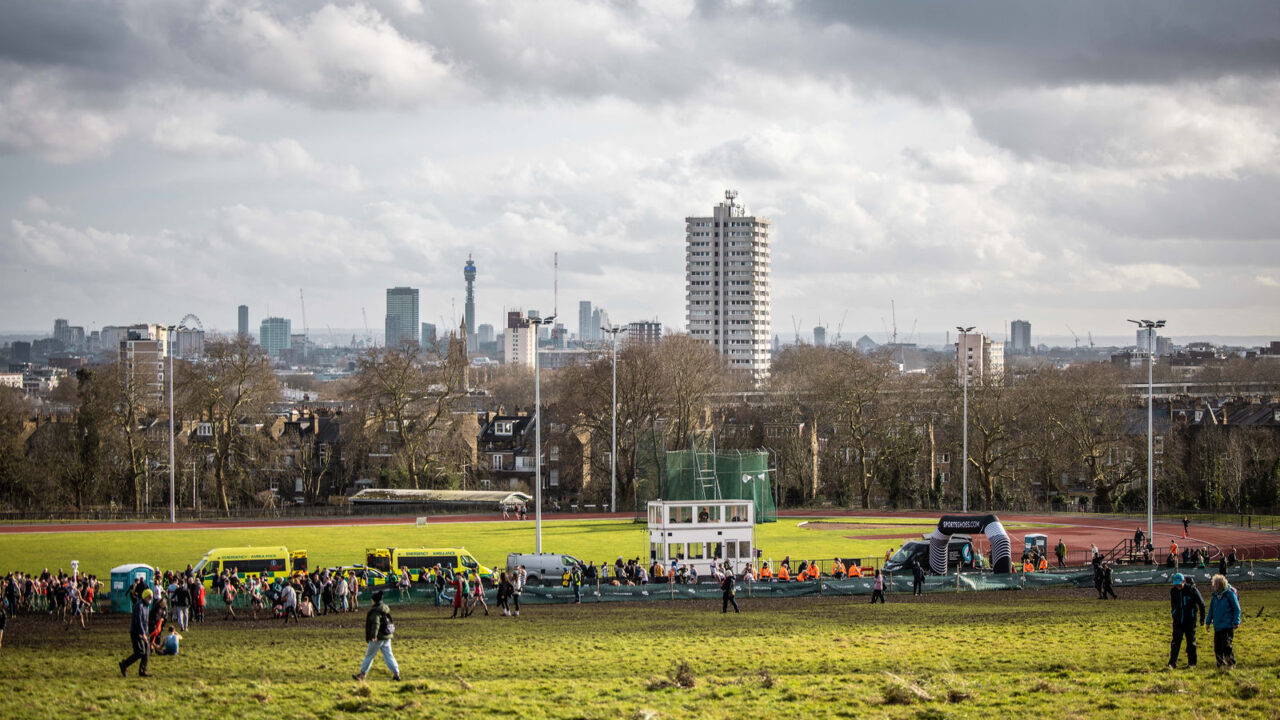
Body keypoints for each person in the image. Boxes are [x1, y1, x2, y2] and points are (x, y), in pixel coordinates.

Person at [353, 591, 400, 682]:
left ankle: (362, 674)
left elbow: (376, 624)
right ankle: (396, 673)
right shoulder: (384, 608)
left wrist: (373, 636)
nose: (371, 601)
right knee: (389, 655)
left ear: (375, 601)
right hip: (387, 636)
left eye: (372, 600)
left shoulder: (375, 611)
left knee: (369, 656)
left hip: (378, 637)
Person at [1167, 573, 1205, 670]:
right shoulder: (1173, 591)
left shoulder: (1192, 590)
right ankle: (1172, 663)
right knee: (1175, 642)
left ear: (1184, 582)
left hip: (1190, 621)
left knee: (1191, 642)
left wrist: (1202, 619)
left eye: (1179, 584)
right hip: (1178, 621)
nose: (1178, 587)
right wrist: (1174, 614)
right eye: (1176, 585)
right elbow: (1173, 604)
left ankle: (1192, 663)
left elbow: (1201, 604)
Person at [1205, 574, 1241, 670]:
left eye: (1215, 584)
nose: (1213, 586)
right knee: (1217, 648)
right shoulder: (1215, 596)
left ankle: (1231, 664)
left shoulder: (1229, 594)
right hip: (1218, 626)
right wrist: (1208, 622)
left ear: (1220, 585)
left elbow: (1236, 609)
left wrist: (1236, 621)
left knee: (1227, 646)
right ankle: (1220, 665)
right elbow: (1211, 610)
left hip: (1227, 626)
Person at [119, 588, 153, 678]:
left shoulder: (146, 605)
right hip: (136, 632)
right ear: (145, 596)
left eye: (151, 597)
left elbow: (145, 621)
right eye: (149, 597)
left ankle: (142, 671)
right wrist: (142, 634)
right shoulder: (139, 605)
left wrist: (146, 633)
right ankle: (124, 664)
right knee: (140, 652)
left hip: (143, 632)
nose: (151, 599)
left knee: (147, 651)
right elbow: (138, 621)